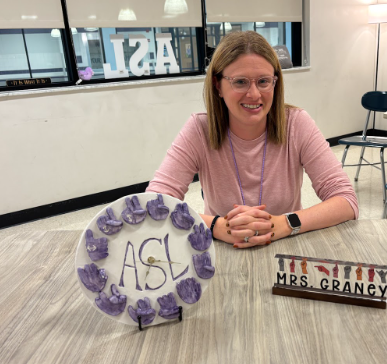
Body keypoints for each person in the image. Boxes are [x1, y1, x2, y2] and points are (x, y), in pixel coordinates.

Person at [147, 31, 358, 248]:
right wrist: (216, 226)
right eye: (240, 82)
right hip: (221, 251)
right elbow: (153, 205)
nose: (254, 94)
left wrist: (284, 223)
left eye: (264, 81)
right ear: (218, 85)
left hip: (285, 248)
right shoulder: (199, 129)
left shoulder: (296, 124)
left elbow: (346, 201)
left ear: (275, 82)